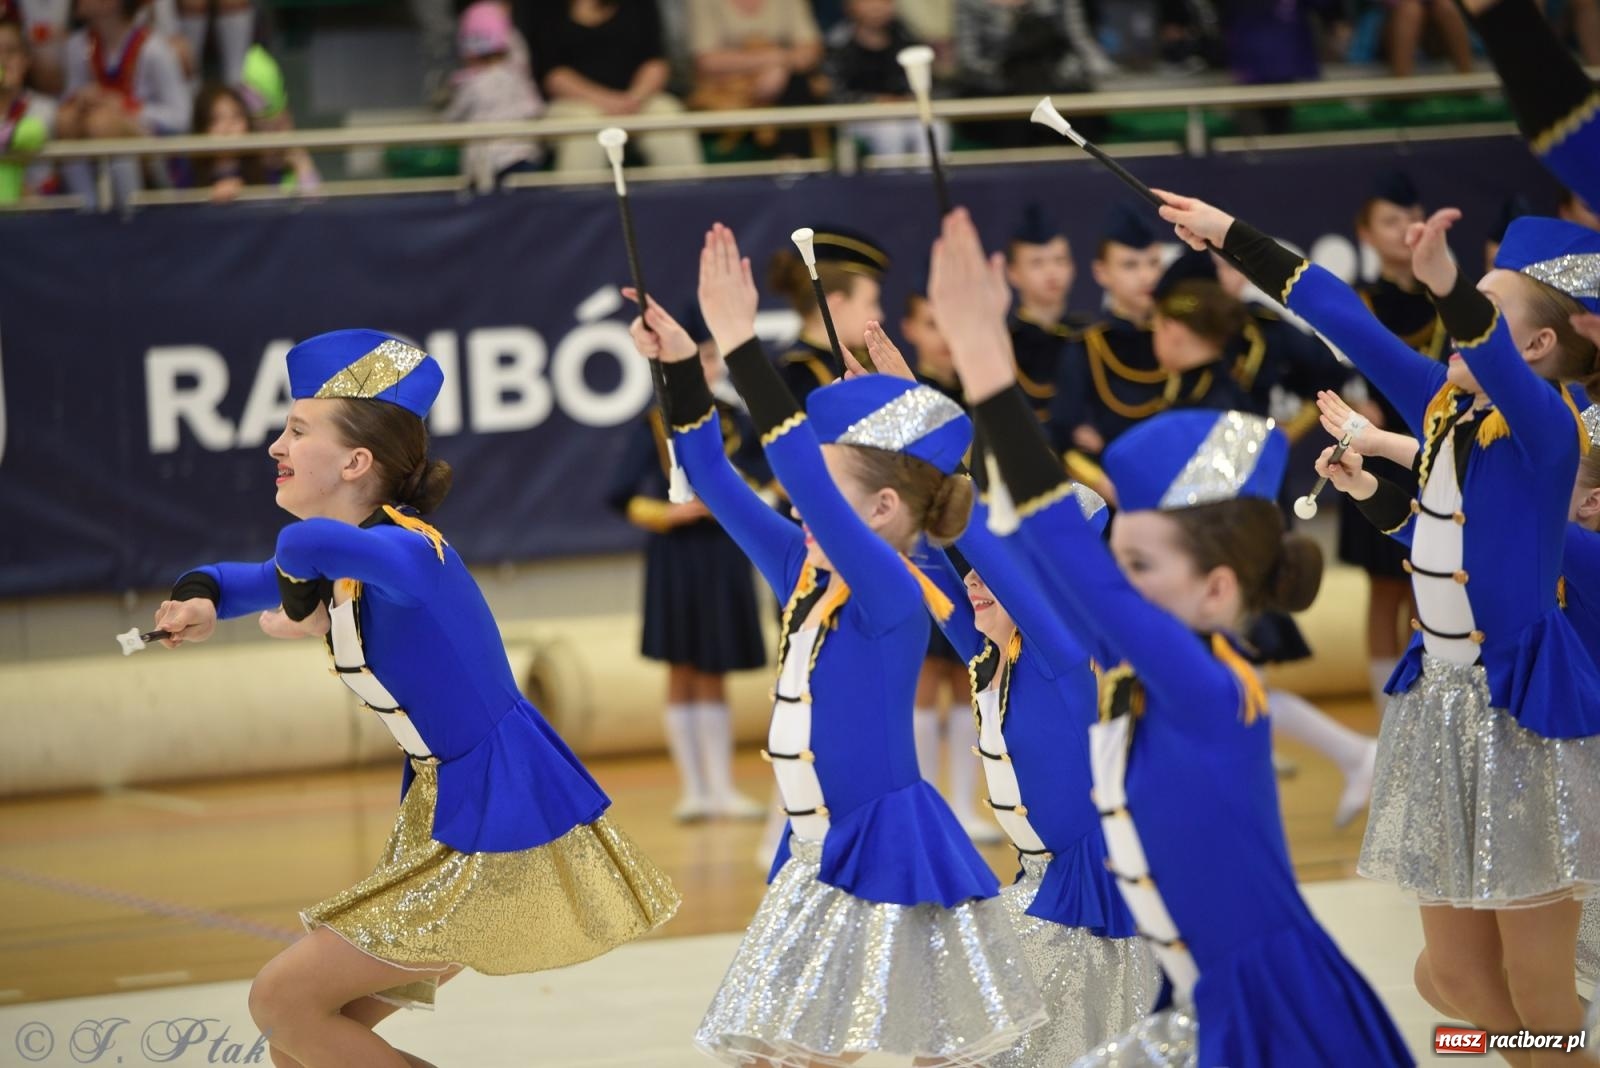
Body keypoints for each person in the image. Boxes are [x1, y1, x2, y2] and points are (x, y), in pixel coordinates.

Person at [926, 205, 1413, 1068]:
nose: (1117, 586)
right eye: (1124, 564)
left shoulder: (1197, 681)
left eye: (1139, 568)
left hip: (1254, 998)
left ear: (1216, 590)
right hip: (1181, 990)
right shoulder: (1147, 665)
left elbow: (1062, 551)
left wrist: (982, 369)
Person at [151, 329, 679, 1067]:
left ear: (355, 462)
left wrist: (296, 600)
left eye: (297, 430)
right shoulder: (345, 554)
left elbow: (300, 554)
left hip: (497, 822)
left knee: (284, 1004)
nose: (276, 445)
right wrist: (203, 601)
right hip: (446, 814)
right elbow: (242, 573)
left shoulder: (407, 551)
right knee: (304, 1036)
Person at [1159, 186, 1600, 1063]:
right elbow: (1349, 325)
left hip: (1523, 719)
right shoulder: (1448, 412)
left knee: (1537, 985)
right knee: (1462, 981)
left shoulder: (1551, 433)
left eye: (1484, 310)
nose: (1457, 324)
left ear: (1541, 346)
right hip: (1440, 713)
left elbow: (1501, 391)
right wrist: (1234, 235)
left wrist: (1442, 282)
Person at [632, 223, 1045, 1066]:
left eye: (824, 492)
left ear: (885, 514)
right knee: (783, 1052)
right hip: (810, 845)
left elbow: (802, 481)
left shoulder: (892, 591)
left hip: (881, 841)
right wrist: (682, 366)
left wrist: (747, 348)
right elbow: (713, 476)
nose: (797, 509)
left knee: (920, 1047)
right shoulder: (802, 568)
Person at [605, 329, 770, 822]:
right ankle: (694, 790)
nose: (707, 366)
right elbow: (620, 493)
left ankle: (722, 788)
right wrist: (664, 514)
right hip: (677, 554)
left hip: (724, 552)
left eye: (714, 356)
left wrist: (740, 495)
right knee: (682, 665)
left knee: (715, 666)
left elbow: (768, 477)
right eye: (696, 357)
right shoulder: (655, 422)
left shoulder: (737, 418)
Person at [1047, 203, 1165, 490]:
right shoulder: (1087, 347)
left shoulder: (1180, 337)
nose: (1146, 277)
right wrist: (1114, 490)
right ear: (1101, 272)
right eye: (1130, 265)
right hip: (1115, 496)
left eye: (1153, 263)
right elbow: (1063, 438)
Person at [530, 0, 703, 173]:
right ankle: (578, 198)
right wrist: (607, 102)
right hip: (573, 102)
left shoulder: (639, 5)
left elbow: (655, 61)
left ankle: (688, 193)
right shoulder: (544, 7)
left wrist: (634, 98)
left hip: (638, 98)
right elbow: (552, 74)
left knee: (666, 112)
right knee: (585, 122)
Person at [55, 0, 191, 206]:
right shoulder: (78, 46)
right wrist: (82, 99)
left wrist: (128, 107)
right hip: (99, 133)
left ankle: (130, 209)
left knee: (103, 123)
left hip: (154, 147)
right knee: (65, 119)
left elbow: (181, 117)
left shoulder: (153, 48)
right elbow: (69, 97)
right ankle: (86, 207)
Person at [766, 226, 889, 404]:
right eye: (870, 303)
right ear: (835, 305)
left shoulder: (864, 362)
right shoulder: (796, 378)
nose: (879, 315)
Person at [825, 0, 949, 159]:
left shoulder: (907, 37)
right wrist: (874, 101)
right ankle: (893, 182)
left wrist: (910, 99)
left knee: (935, 126)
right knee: (890, 131)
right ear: (850, 6)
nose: (876, 7)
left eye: (884, 1)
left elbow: (934, 84)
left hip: (908, 109)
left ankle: (929, 180)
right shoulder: (837, 43)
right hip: (861, 116)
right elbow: (833, 94)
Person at [445, 1, 544, 191]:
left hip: (489, 163)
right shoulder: (517, 78)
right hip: (524, 155)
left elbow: (453, 116)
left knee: (493, 212)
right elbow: (535, 109)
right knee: (527, 212)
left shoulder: (471, 84)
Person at [1006, 203, 1090, 427]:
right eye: (1037, 263)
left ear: (1072, 267)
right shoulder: (1004, 344)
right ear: (1013, 273)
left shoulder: (1091, 337)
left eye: (1059, 261)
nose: (1051, 273)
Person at [0, 14, 54, 203]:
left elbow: (32, 134)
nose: (3, 60)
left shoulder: (46, 109)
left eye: (11, 51)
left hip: (38, 214)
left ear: (26, 60)